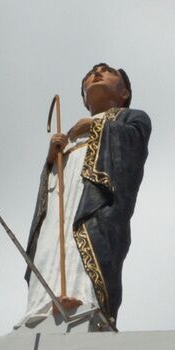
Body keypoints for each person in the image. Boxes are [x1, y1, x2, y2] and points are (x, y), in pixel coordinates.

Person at [44, 62, 149, 331]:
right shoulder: (70, 137)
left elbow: (134, 145)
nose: (96, 74)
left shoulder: (131, 118)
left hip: (98, 202)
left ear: (124, 92)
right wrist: (52, 160)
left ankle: (86, 300)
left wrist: (95, 126)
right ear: (84, 98)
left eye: (107, 72)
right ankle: (45, 302)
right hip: (64, 201)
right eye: (90, 75)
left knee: (90, 242)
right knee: (54, 241)